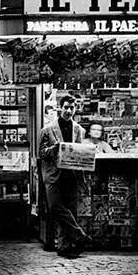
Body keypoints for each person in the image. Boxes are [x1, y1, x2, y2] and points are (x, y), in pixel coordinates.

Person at [39, 94, 91, 258]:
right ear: (60, 108)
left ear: (75, 109)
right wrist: (54, 149)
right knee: (55, 206)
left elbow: (80, 153)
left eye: (72, 108)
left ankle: (64, 246)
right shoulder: (48, 129)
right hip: (54, 175)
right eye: (66, 107)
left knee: (69, 210)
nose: (69, 111)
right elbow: (41, 153)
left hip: (71, 174)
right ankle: (79, 235)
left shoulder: (79, 130)